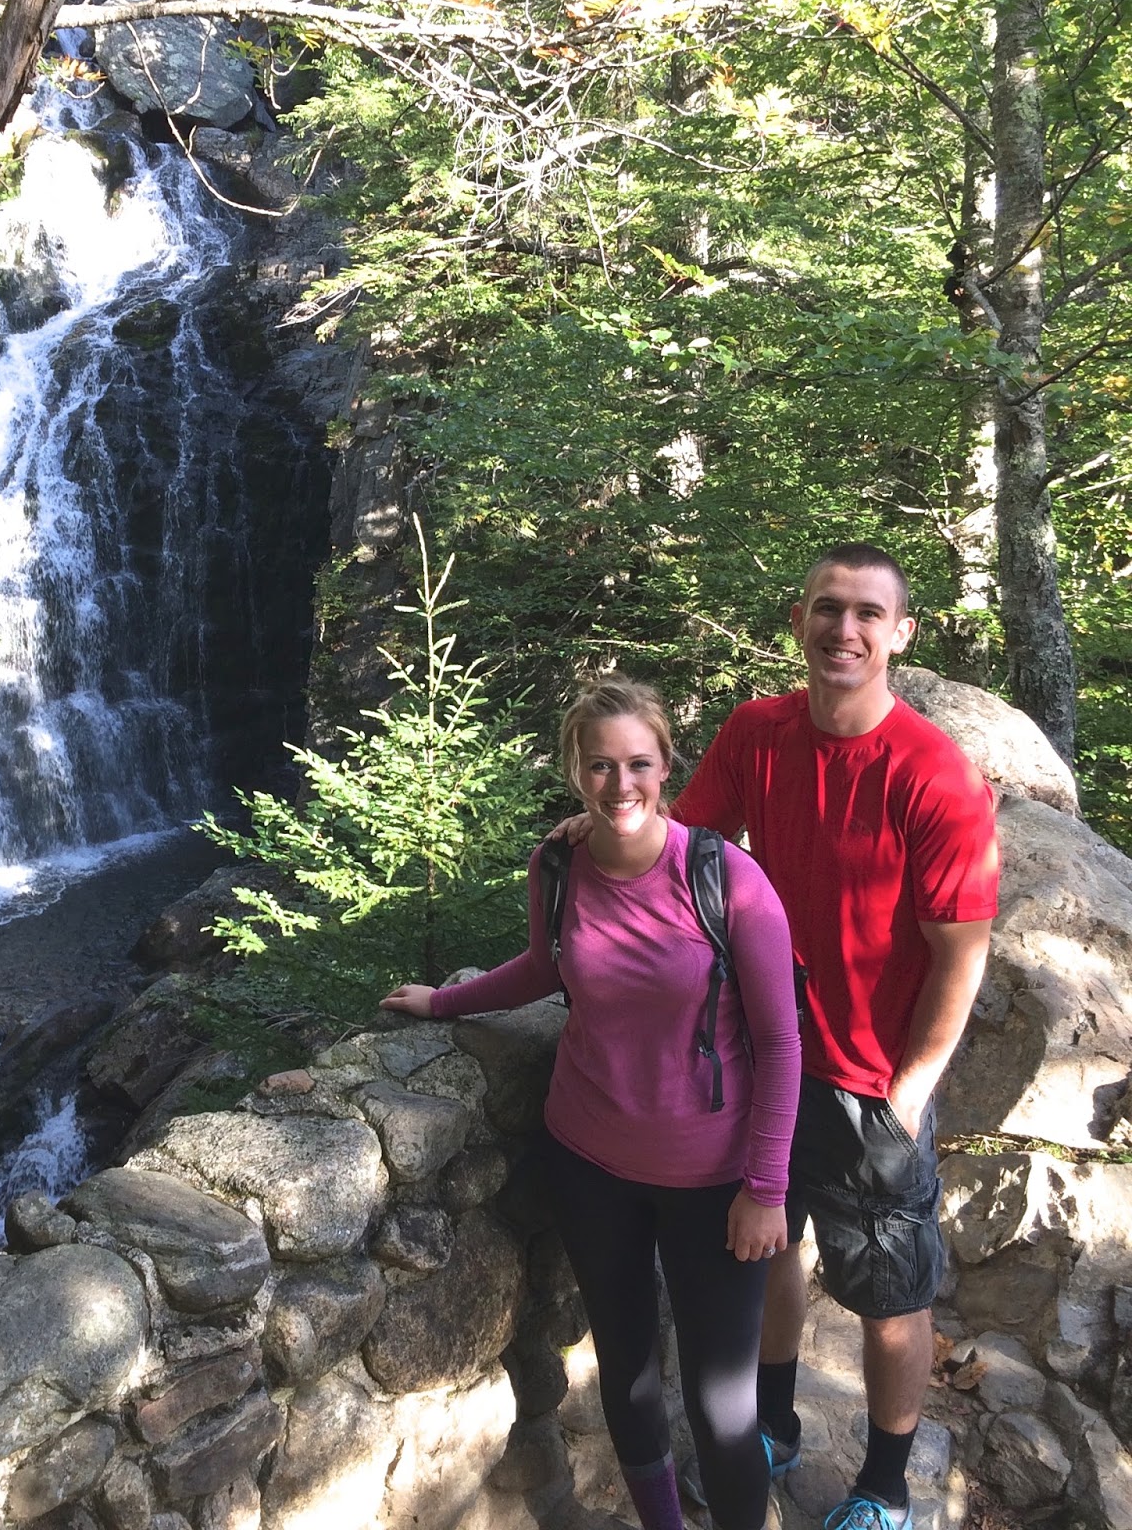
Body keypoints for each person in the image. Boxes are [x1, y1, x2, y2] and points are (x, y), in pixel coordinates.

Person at [554, 544, 999, 1530]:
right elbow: (675, 845)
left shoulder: (933, 774)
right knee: (766, 1248)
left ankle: (884, 1484)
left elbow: (960, 953)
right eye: (827, 607)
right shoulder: (759, 733)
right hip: (759, 1061)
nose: (845, 629)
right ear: (798, 620)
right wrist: (591, 829)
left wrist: (910, 1091)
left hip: (870, 1078)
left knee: (888, 1289)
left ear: (900, 633)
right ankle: (772, 1424)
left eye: (868, 613)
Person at [383, 675, 800, 1530]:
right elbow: (545, 966)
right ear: (575, 769)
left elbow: (782, 1042)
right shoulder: (558, 864)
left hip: (712, 1181)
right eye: (600, 765)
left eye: (638, 764)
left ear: (666, 765)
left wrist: (765, 1188)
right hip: (589, 1163)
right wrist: (444, 1001)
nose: (620, 785)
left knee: (723, 1406)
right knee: (629, 1372)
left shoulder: (728, 879)